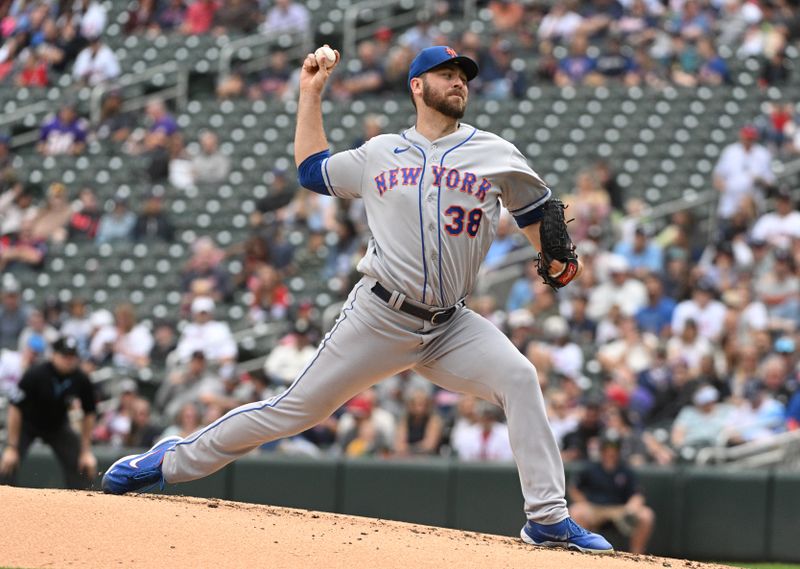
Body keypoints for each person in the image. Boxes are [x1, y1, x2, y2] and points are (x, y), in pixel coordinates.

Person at [102, 45, 612, 554]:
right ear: (417, 86)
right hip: (379, 315)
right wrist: (311, 93)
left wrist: (557, 255)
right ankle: (169, 461)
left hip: (449, 326)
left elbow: (536, 211)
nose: (459, 82)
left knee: (520, 378)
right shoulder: (380, 151)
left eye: (464, 76)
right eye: (447, 74)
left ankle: (546, 519)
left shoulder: (495, 151)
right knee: (291, 411)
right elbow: (311, 170)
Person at [0, 337, 97, 489]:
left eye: (72, 357)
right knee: (6, 462)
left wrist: (86, 451)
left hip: (57, 426)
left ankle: (82, 504)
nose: (69, 361)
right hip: (27, 424)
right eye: (65, 356)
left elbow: (89, 413)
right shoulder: (36, 373)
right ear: (54, 355)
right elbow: (15, 407)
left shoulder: (80, 379)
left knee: (81, 465)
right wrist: (12, 446)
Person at [569, 433, 655, 554]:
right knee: (576, 511)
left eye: (614, 448)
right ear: (601, 450)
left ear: (619, 450)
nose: (610, 452)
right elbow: (574, 488)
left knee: (646, 515)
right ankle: (582, 552)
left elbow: (637, 494)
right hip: (595, 508)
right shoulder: (591, 468)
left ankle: (637, 555)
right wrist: (583, 503)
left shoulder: (626, 470)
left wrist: (632, 507)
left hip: (619, 510)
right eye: (607, 448)